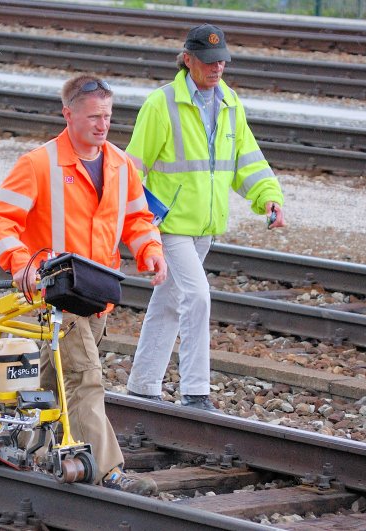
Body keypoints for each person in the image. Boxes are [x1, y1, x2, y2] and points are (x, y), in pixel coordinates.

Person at [0, 74, 167, 494]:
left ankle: (16, 443)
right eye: (93, 117)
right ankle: (110, 471)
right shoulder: (39, 163)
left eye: (108, 116)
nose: (102, 125)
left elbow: (138, 219)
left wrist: (149, 250)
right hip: (53, 297)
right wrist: (21, 262)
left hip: (97, 298)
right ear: (68, 115)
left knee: (53, 379)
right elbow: (0, 219)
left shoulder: (120, 164)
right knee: (85, 378)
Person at [125, 24, 286, 411]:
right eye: (210, 61)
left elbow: (247, 161)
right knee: (197, 298)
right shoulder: (161, 104)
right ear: (187, 60)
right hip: (171, 225)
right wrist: (141, 222)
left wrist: (268, 197)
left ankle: (142, 385)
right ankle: (196, 392)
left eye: (223, 60)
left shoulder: (230, 103)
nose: (218, 68)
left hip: (206, 227)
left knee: (168, 303)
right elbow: (132, 168)